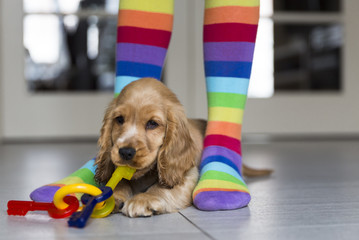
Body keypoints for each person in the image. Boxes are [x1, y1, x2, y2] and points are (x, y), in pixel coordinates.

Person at [30, 0, 260, 211]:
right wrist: (121, 188)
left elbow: (180, 179)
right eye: (120, 120)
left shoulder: (176, 137)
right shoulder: (122, 140)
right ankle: (102, 171)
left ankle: (223, 149)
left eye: (152, 123)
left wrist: (158, 194)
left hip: (179, 159)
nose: (128, 145)